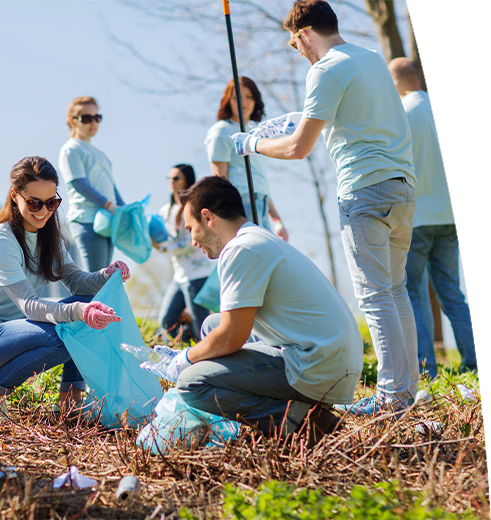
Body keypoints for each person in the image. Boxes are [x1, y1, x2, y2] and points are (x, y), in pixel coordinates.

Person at [231, 0, 417, 415]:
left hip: (363, 191)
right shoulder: (371, 59)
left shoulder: (325, 69)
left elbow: (298, 148)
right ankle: (405, 393)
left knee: (375, 297)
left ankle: (390, 399)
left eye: (294, 44)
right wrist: (301, 116)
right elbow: (356, 113)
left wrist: (253, 144)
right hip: (401, 188)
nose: (298, 52)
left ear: (305, 34)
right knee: (396, 291)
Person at [150, 176, 362, 443]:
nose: (192, 241)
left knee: (192, 383)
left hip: (319, 366)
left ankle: (305, 421)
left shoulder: (241, 249)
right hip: (329, 357)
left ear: (207, 217)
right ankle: (288, 411)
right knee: (210, 326)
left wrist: (185, 358)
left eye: (191, 228)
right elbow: (227, 329)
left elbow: (232, 337)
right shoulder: (256, 238)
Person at [0, 156, 130, 413]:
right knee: (69, 332)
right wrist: (79, 312)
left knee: (88, 307)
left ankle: (69, 403)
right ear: (15, 195)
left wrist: (105, 275)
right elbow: (30, 306)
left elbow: (77, 283)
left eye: (51, 202)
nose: (43, 211)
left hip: (14, 336)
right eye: (34, 202)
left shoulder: (49, 240)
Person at [388, 58, 476, 379]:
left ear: (395, 82)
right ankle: (473, 365)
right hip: (448, 217)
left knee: (411, 293)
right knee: (452, 293)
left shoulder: (402, 115)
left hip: (416, 218)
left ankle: (427, 372)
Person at [205, 77, 288, 240]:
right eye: (237, 97)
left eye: (249, 96)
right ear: (228, 100)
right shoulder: (221, 131)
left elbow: (259, 182)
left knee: (268, 252)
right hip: (241, 203)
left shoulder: (257, 133)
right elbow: (219, 182)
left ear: (256, 100)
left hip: (261, 203)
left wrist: (276, 219)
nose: (244, 102)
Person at [58, 96, 126, 272]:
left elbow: (111, 186)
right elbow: (78, 183)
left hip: (108, 220)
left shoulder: (101, 154)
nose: (93, 122)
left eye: (97, 117)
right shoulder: (71, 149)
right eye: (87, 118)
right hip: (87, 220)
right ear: (72, 121)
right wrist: (109, 205)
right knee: (96, 279)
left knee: (105, 278)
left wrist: (124, 208)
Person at [153, 164, 215, 342]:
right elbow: (162, 235)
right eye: (169, 178)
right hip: (179, 276)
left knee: (201, 324)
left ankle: (209, 351)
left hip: (197, 274)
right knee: (166, 321)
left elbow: (191, 242)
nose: (171, 182)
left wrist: (165, 248)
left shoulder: (194, 207)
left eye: (176, 178)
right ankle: (194, 347)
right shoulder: (166, 210)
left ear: (186, 180)